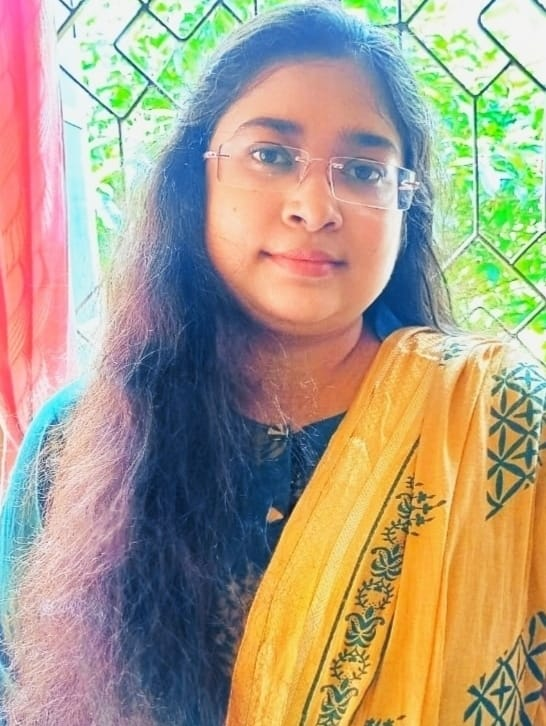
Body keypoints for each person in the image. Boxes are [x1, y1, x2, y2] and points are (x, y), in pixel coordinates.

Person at [0, 2, 544, 724]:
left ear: (404, 206)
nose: (315, 208)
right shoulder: (75, 442)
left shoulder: (498, 423)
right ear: (197, 179)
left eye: (363, 170)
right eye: (271, 155)